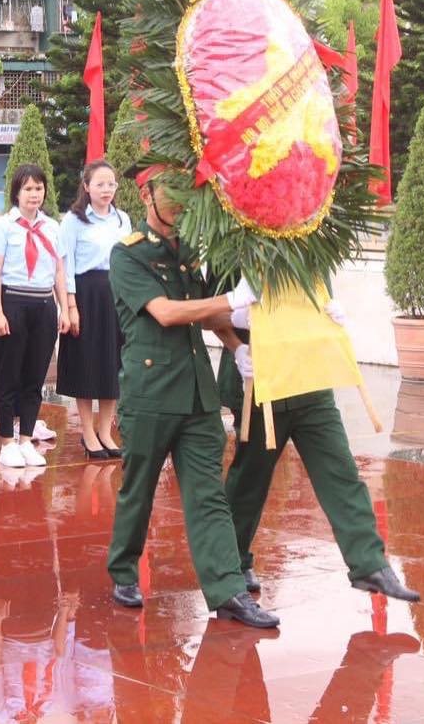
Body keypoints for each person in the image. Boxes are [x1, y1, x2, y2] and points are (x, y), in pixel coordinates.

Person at [104, 164, 278, 628]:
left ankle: (228, 591)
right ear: (147, 196)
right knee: (138, 489)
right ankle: (124, 569)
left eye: (187, 191)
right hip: (151, 392)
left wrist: (238, 346)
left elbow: (206, 316)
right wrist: (231, 301)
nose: (182, 201)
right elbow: (166, 313)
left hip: (197, 394)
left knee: (208, 495)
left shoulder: (187, 252)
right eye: (173, 192)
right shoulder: (128, 255)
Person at [220, 302, 421, 603]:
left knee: (341, 471)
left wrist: (329, 313)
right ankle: (233, 562)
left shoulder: (315, 265)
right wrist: (237, 345)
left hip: (309, 380)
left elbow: (316, 299)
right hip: (261, 382)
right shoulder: (240, 266)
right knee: (250, 480)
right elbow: (209, 314)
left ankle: (370, 564)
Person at [0, 164, 69, 470]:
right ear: (16, 192)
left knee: (35, 377)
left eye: (39, 188)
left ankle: (26, 439)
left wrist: (64, 308)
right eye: (28, 189)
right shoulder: (3, 227)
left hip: (44, 304)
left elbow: (59, 271)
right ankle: (7, 442)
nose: (34, 194)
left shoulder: (53, 227)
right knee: (9, 375)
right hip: (13, 302)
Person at [57, 161, 131, 461]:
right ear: (86, 186)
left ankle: (105, 431)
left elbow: (129, 258)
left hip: (117, 295)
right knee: (86, 363)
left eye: (111, 183)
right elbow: (66, 264)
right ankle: (87, 432)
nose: (106, 189)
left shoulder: (122, 219)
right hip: (86, 295)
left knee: (114, 364)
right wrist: (70, 306)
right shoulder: (74, 220)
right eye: (99, 184)